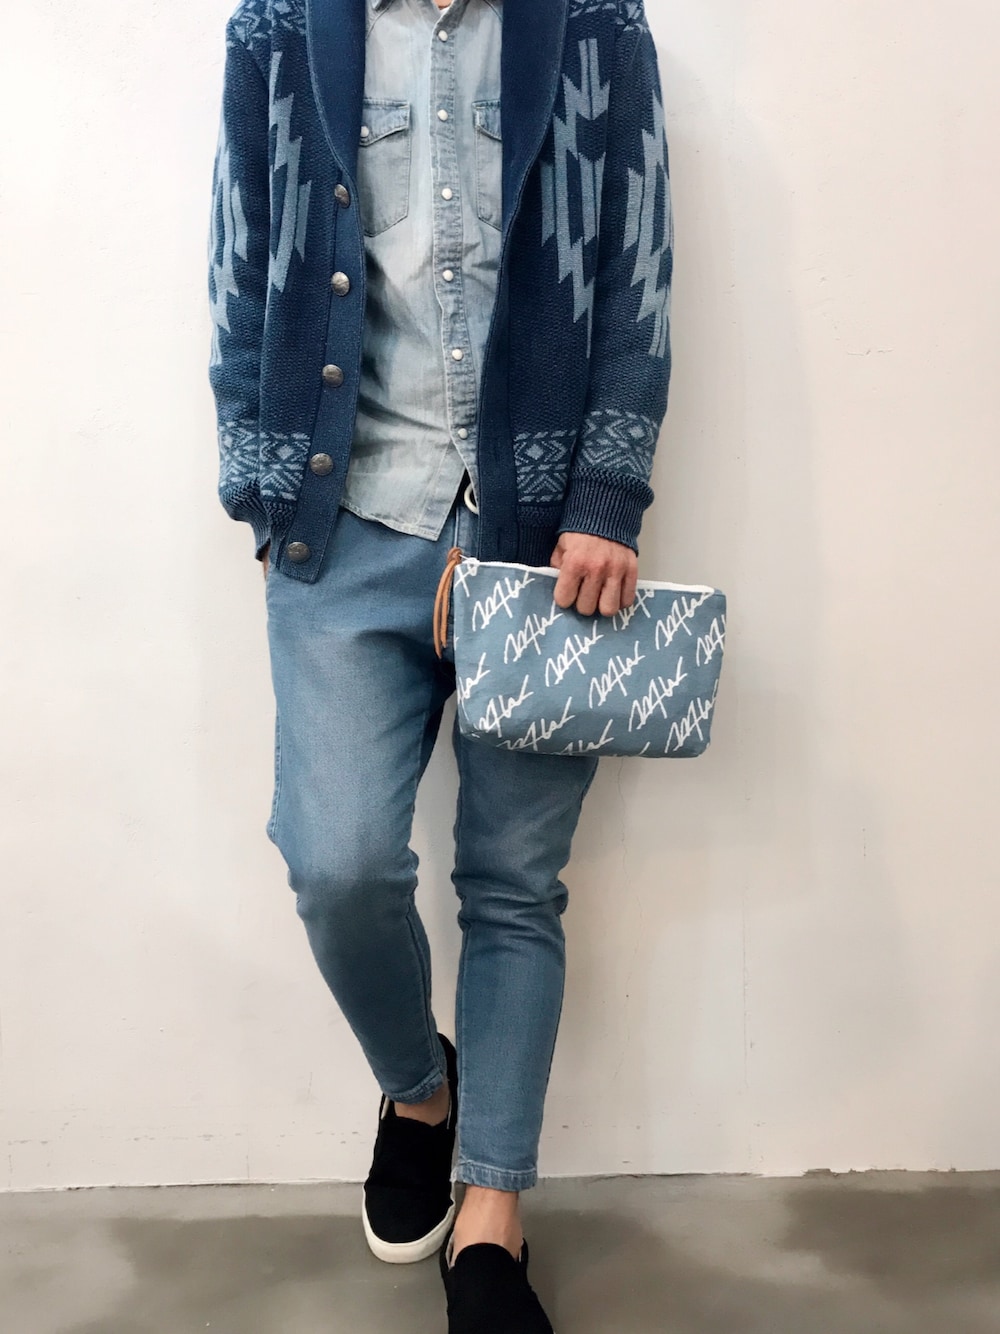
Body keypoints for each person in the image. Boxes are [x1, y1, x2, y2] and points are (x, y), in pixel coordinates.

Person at [207, 0, 673, 1327]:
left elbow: (636, 263)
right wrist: (260, 489)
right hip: (345, 517)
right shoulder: (277, 28)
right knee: (337, 861)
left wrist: (608, 494)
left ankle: (493, 1220)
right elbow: (242, 259)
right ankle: (421, 1091)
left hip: (540, 533)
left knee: (515, 883)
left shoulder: (594, 24)